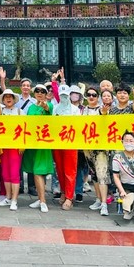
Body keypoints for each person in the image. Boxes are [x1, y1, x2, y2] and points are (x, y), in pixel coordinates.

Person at [21, 84, 55, 213]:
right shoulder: (31, 107)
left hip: (43, 143)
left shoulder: (49, 105)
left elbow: (48, 109)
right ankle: (40, 198)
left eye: (42, 91)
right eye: (37, 91)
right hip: (32, 143)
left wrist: (44, 105)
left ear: (46, 94)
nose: (39, 93)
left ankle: (43, 201)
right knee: (35, 171)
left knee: (38, 171)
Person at [50, 72, 79, 211]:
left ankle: (69, 197)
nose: (63, 98)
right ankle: (63, 191)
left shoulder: (75, 110)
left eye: (65, 95)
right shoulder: (55, 108)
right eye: (61, 95)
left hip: (70, 144)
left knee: (70, 170)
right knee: (60, 169)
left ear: (69, 95)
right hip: (57, 143)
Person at [82, 85, 110, 216]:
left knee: (102, 174)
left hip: (100, 148)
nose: (91, 97)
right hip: (88, 147)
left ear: (98, 97)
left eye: (94, 95)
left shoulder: (101, 109)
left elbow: (104, 116)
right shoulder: (83, 110)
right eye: (89, 95)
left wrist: (104, 112)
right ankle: (98, 199)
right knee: (93, 173)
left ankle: (104, 203)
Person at [0, 89, 22, 211]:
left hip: (15, 147)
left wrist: (22, 145)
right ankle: (8, 197)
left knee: (14, 173)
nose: (8, 99)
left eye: (10, 96)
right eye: (5, 97)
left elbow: (25, 128)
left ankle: (14, 200)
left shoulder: (20, 112)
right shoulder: (1, 112)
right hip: (4, 146)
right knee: (5, 172)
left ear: (14, 99)